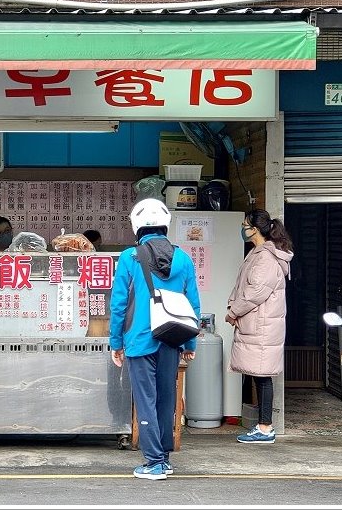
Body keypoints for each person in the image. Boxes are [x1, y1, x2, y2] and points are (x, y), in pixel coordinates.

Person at [109, 198, 200, 480]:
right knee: (167, 398)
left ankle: (154, 462)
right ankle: (165, 457)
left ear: (137, 226)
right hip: (172, 337)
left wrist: (116, 343)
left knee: (145, 399)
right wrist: (190, 343)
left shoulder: (130, 257)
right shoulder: (183, 257)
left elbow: (119, 304)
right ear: (165, 224)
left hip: (139, 340)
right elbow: (193, 303)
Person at [225, 209, 294, 444]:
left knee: (263, 376)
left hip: (262, 324)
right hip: (258, 323)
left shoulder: (265, 257)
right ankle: (263, 426)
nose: (243, 229)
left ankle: (265, 428)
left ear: (255, 229)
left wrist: (234, 312)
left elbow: (255, 293)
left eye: (245, 224)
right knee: (259, 375)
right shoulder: (259, 252)